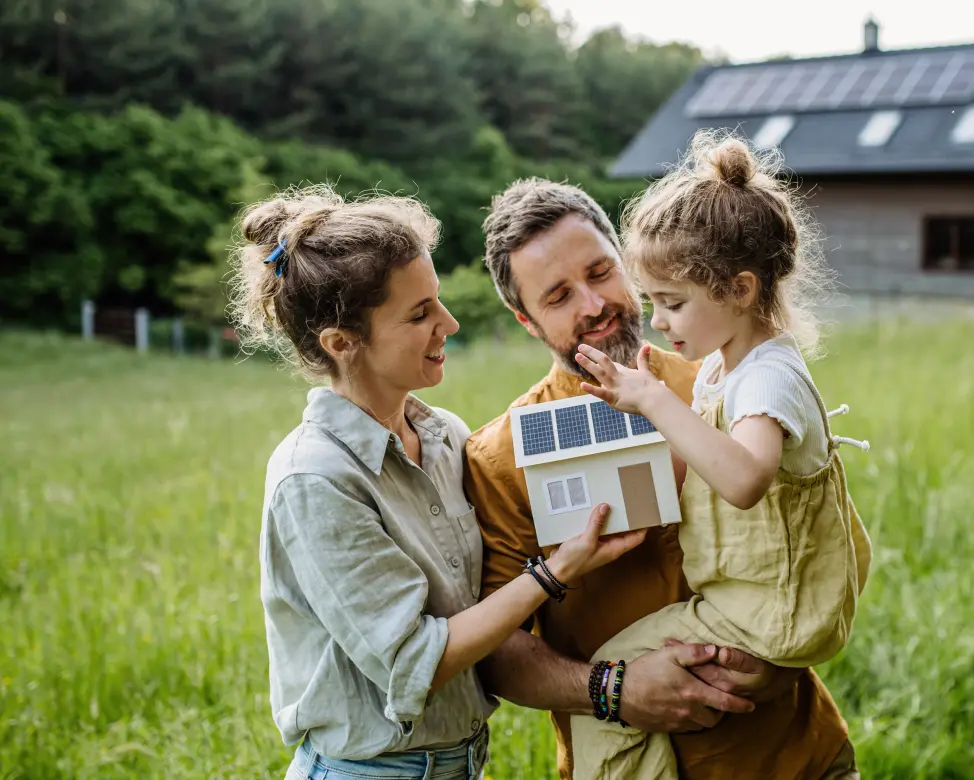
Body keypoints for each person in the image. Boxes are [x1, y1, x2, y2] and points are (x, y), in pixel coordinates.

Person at [228, 185, 643, 780]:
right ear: (343, 344)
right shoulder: (314, 479)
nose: (447, 323)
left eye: (438, 301)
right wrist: (553, 573)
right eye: (419, 315)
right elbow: (414, 660)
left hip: (461, 762)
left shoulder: (446, 436)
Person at [464, 175, 863, 780]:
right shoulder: (499, 456)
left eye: (600, 273)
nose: (593, 305)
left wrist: (775, 657)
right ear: (527, 321)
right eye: (558, 296)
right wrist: (612, 689)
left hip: (795, 755)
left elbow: (820, 536)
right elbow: (496, 651)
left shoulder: (726, 377)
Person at [566, 132, 873, 778]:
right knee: (622, 688)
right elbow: (700, 472)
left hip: (768, 614)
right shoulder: (723, 368)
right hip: (747, 602)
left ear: (738, 289)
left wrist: (654, 400)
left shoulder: (767, 379)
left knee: (607, 691)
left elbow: (743, 481)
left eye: (672, 303)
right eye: (652, 301)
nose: (658, 321)